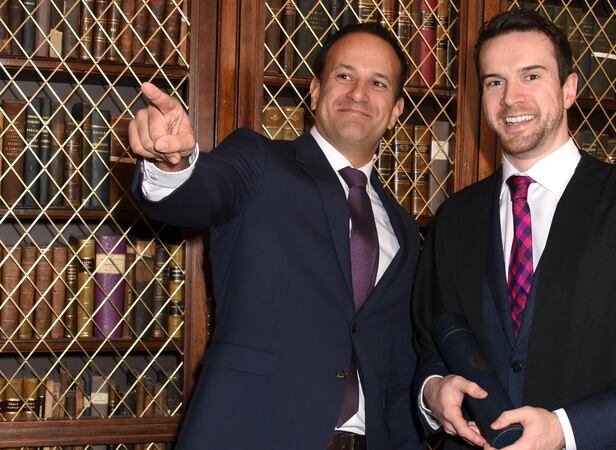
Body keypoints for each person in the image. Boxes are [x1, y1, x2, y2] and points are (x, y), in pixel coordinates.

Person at [412, 9, 616, 450]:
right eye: (494, 81)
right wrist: (434, 390)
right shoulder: (455, 220)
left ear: (569, 89)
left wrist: (566, 429)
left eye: (531, 76)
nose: (510, 98)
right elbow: (429, 342)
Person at [128, 22, 425, 449]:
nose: (359, 92)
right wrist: (174, 164)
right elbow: (207, 188)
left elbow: (397, 358)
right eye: (344, 75)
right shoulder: (258, 163)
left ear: (397, 110)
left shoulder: (404, 228)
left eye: (377, 83)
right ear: (315, 92)